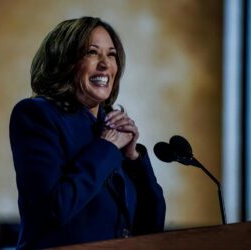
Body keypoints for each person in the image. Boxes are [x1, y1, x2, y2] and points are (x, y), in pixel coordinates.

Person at [9, 16, 166, 249]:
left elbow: (152, 227)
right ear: (64, 61)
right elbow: (54, 209)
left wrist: (133, 158)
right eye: (92, 52)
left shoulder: (111, 127)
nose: (105, 64)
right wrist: (107, 148)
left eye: (111, 54)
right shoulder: (36, 115)